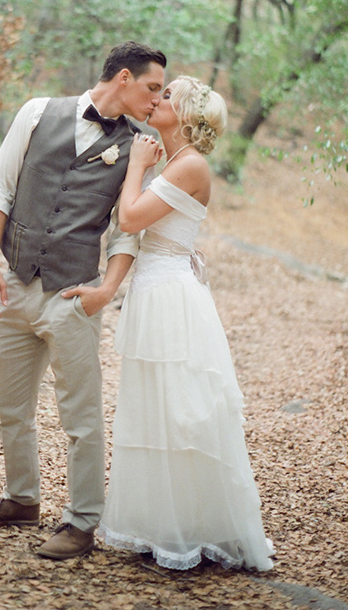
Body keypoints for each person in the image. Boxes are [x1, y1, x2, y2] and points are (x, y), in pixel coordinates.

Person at [0, 42, 167, 560]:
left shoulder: (142, 149)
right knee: (9, 403)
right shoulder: (37, 112)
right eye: (152, 88)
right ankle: (21, 499)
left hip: (74, 295)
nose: (156, 100)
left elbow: (126, 233)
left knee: (80, 416)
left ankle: (80, 522)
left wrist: (105, 291)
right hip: (16, 284)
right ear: (123, 77)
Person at [98, 75, 274, 572]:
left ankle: (192, 533)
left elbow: (131, 218)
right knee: (155, 409)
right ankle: (164, 528)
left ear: (189, 116)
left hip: (172, 297)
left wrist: (134, 164)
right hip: (153, 291)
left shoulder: (191, 165)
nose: (158, 100)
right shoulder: (173, 162)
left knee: (181, 414)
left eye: (168, 96)